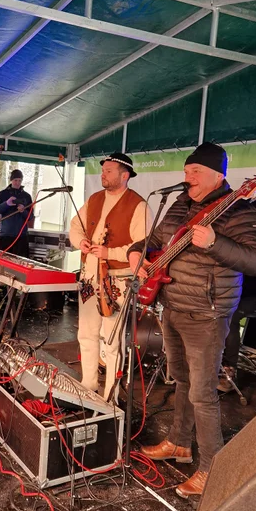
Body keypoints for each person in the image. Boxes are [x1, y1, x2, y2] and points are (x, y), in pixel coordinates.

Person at [128, 142, 256, 498]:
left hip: (207, 314)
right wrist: (136, 255)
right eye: (187, 170)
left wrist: (214, 243)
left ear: (218, 176)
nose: (187, 176)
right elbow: (154, 241)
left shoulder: (240, 212)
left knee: (204, 393)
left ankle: (213, 467)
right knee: (181, 381)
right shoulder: (179, 205)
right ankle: (179, 442)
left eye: (195, 172)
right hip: (173, 306)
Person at [69, 152, 148, 402]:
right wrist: (80, 241)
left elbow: (143, 246)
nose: (103, 174)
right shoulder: (94, 199)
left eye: (109, 170)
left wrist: (109, 252)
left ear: (125, 176)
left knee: (111, 339)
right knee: (86, 332)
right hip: (89, 277)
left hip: (118, 280)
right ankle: (89, 382)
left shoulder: (139, 205)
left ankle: (110, 394)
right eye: (103, 170)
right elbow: (75, 225)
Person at [219, 197, 256, 392]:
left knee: (232, 314)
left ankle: (229, 370)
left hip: (255, 296)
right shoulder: (232, 239)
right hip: (230, 292)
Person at [0, 169, 34, 257]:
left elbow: (30, 217)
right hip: (6, 236)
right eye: (15, 180)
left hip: (21, 236)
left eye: (20, 180)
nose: (17, 183)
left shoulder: (27, 196)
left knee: (22, 263)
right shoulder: (2, 194)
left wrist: (23, 211)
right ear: (11, 180)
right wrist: (6, 204)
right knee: (4, 263)